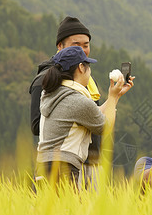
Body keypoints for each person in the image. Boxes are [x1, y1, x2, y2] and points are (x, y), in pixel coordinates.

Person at [36, 46, 133, 188]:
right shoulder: (77, 100)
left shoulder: (53, 94)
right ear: (81, 67)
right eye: (88, 66)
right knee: (68, 210)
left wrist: (115, 96)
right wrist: (112, 96)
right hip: (63, 168)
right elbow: (105, 127)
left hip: (43, 166)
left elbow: (92, 114)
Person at [29, 16, 103, 165]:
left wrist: (115, 95)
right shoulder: (45, 79)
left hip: (91, 161)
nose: (82, 50)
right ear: (60, 46)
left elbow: (94, 115)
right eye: (76, 45)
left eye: (86, 45)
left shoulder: (86, 79)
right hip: (63, 163)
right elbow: (37, 126)